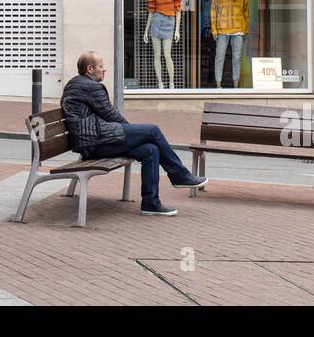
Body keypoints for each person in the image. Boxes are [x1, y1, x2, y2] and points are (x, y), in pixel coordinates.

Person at [61, 50, 207, 216]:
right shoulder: (90, 87)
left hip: (92, 141)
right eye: (101, 66)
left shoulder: (77, 83)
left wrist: (133, 135)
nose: (104, 70)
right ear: (90, 69)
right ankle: (180, 176)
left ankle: (150, 204)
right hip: (94, 143)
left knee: (151, 150)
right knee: (152, 130)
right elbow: (110, 114)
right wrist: (133, 133)